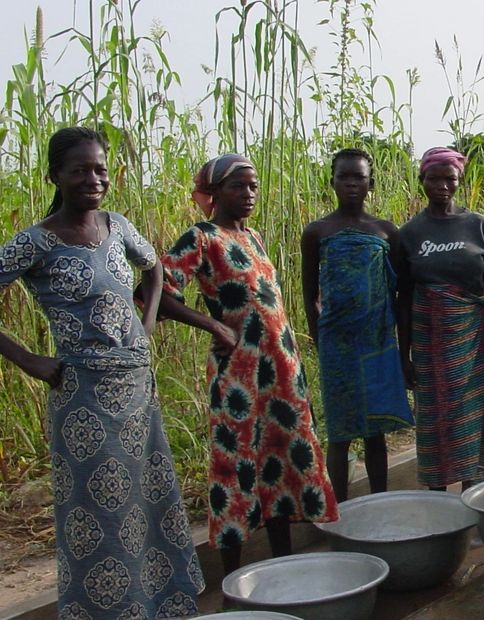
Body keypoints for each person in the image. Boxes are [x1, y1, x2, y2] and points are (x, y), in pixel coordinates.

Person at [0, 127, 202, 618]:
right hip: (83, 399)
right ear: (54, 175)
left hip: (139, 392)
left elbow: (153, 270)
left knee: (150, 502)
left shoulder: (120, 226)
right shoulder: (34, 243)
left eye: (100, 170)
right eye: (80, 170)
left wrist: (148, 323)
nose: (93, 179)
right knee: (101, 511)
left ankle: (161, 603)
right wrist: (30, 360)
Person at [159, 153, 338, 576]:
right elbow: (158, 291)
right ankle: (234, 584)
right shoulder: (201, 237)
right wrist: (212, 326)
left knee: (279, 465)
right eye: (238, 185)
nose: (249, 193)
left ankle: (282, 570)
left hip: (280, 372)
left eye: (254, 185)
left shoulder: (253, 237)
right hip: (238, 377)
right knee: (236, 467)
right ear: (215, 191)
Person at [300, 148, 414, 501]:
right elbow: (309, 294)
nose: (351, 184)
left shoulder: (385, 232)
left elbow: (403, 293)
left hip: (378, 342)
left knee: (375, 429)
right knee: (340, 430)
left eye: (358, 178)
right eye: (343, 177)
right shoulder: (317, 232)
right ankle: (342, 511)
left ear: (370, 184)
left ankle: (380, 503)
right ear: (332, 182)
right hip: (338, 344)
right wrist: (321, 340)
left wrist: (402, 347)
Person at [396, 146, 484, 491]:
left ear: (459, 181)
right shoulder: (410, 233)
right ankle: (439, 500)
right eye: (434, 178)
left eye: (450, 178)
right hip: (430, 344)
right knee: (435, 420)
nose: (442, 185)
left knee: (474, 418)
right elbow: (404, 296)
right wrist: (405, 356)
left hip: (473, 340)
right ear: (422, 181)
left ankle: (475, 495)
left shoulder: (477, 225)